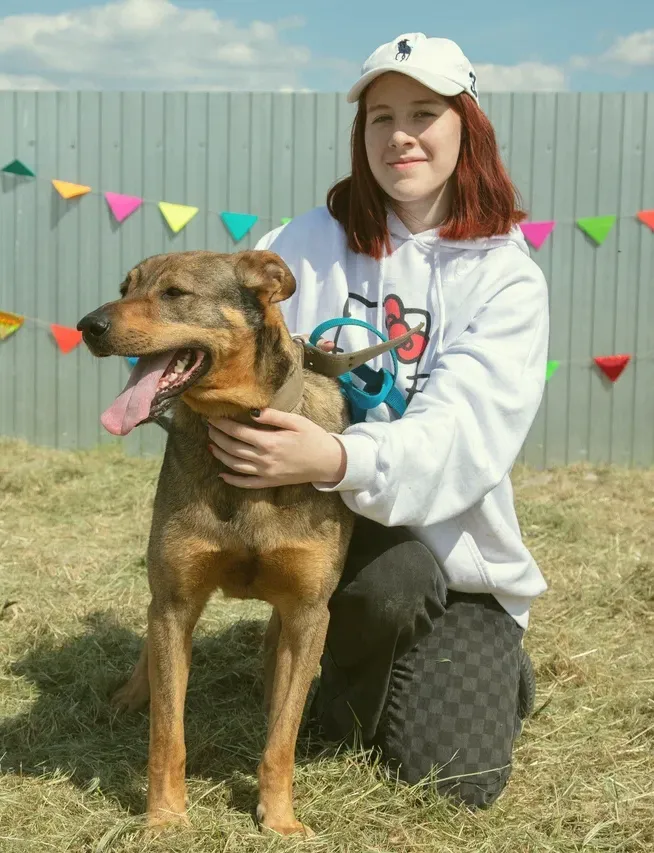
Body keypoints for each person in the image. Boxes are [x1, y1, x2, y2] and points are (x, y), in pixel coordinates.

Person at [207, 32, 549, 808]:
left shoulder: (504, 276)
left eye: (424, 112)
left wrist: (333, 458)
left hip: (456, 559)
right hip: (334, 532)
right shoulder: (305, 244)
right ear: (360, 138)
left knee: (455, 778)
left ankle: (483, 660)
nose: (400, 134)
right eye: (378, 117)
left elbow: (465, 435)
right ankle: (343, 691)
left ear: (468, 126)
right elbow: (234, 340)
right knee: (389, 583)